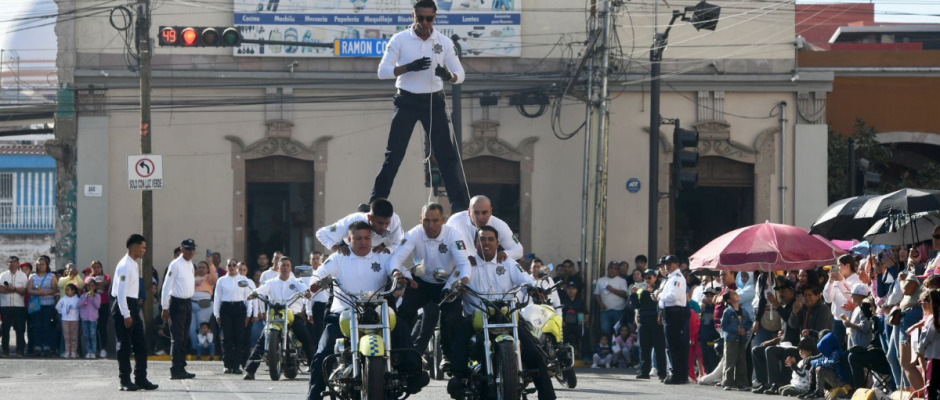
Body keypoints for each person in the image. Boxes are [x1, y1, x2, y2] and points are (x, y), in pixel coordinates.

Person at [307, 221, 424, 399]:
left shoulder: (382, 257)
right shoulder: (339, 258)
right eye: (358, 238)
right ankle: (313, 395)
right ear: (349, 239)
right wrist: (315, 284)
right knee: (323, 350)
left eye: (367, 238)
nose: (363, 242)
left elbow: (397, 268)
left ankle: (413, 375)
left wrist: (404, 277)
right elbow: (320, 273)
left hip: (377, 314)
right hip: (344, 314)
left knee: (401, 327)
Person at [371, 0, 469, 213]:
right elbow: (382, 71)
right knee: (394, 154)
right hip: (406, 101)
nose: (425, 23)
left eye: (429, 18)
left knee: (446, 156)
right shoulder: (400, 39)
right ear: (413, 17)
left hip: (433, 102)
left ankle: (459, 207)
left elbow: (460, 75)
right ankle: (376, 203)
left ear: (435, 18)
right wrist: (407, 68)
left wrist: (448, 75)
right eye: (420, 18)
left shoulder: (443, 42)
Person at [445, 226, 555, 400]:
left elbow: (526, 280)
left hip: (506, 316)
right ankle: (458, 378)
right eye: (482, 239)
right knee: (462, 332)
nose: (486, 243)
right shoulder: (467, 264)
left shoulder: (508, 263)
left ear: (498, 243)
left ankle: (547, 395)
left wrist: (534, 289)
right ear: (475, 243)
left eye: (491, 239)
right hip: (477, 318)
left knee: (534, 352)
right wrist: (452, 290)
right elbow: (450, 286)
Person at [388, 203, 472, 371]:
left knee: (455, 318)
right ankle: (399, 356)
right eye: (426, 220)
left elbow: (464, 263)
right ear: (421, 219)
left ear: (443, 220)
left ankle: (455, 360)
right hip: (421, 283)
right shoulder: (413, 234)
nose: (430, 226)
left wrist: (463, 280)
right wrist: (396, 272)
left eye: (435, 221)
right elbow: (396, 258)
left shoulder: (454, 235)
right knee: (403, 314)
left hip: (446, 283)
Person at [244, 257, 315, 380]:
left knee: (306, 338)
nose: (285, 268)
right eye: (283, 265)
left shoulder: (296, 281)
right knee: (262, 339)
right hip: (276, 315)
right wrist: (254, 293)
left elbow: (304, 288)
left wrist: (306, 292)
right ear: (278, 267)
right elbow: (261, 290)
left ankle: (315, 369)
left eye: (287, 265)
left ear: (291, 268)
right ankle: (250, 370)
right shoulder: (271, 282)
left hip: (293, 315)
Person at [112, 234, 158, 391]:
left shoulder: (134, 264)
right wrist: (126, 314)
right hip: (123, 306)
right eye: (143, 247)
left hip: (132, 305)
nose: (144, 250)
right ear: (134, 247)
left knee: (141, 345)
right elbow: (121, 292)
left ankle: (140, 378)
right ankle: (125, 380)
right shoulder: (125, 265)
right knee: (124, 345)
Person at [752, 278, 801, 395]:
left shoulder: (796, 306)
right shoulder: (784, 307)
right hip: (784, 343)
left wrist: (776, 304)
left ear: (792, 292)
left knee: (770, 351)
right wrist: (774, 340)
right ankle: (764, 383)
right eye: (779, 291)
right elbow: (784, 332)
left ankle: (776, 384)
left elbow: (792, 324)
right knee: (757, 350)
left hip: (794, 344)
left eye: (784, 291)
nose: (781, 294)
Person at [446, 195, 523, 263]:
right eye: (476, 213)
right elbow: (445, 247)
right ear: (469, 212)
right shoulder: (455, 221)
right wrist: (462, 258)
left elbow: (518, 250)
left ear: (491, 212)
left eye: (484, 213)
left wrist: (505, 254)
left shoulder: (500, 226)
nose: (480, 217)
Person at [161, 239, 197, 380]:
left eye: (193, 249)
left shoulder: (190, 264)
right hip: (177, 303)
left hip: (187, 302)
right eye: (188, 249)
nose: (191, 252)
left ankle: (181, 367)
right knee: (177, 338)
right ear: (182, 250)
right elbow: (166, 287)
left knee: (184, 337)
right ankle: (175, 369)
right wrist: (165, 307)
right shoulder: (175, 265)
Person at [317, 198, 404, 255]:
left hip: (377, 249)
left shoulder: (394, 220)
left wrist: (388, 250)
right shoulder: (352, 221)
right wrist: (336, 248)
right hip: (350, 251)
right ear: (369, 218)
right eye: (380, 223)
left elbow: (400, 244)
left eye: (387, 223)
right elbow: (321, 233)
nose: (384, 228)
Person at [213, 259, 253, 374]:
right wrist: (217, 314)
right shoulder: (221, 280)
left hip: (239, 308)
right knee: (227, 337)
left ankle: (236, 365)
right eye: (229, 265)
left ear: (237, 267)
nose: (232, 267)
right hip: (226, 309)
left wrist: (249, 314)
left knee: (239, 338)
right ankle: (227, 365)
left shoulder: (243, 280)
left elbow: (248, 298)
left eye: (234, 265)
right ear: (226, 267)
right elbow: (217, 298)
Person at [660, 255, 690, 385]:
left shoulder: (677, 278)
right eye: (665, 264)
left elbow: (673, 296)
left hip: (675, 313)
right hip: (669, 312)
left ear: (676, 264)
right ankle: (678, 373)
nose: (666, 266)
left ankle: (677, 374)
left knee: (674, 345)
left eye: (669, 263)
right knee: (673, 345)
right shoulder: (670, 278)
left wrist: (659, 295)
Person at [632, 269, 667, 380]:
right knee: (644, 348)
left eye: (649, 277)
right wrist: (633, 294)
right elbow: (636, 305)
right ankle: (644, 371)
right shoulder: (641, 290)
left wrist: (653, 292)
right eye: (645, 278)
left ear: (655, 278)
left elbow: (661, 303)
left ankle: (662, 373)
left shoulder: (659, 289)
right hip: (644, 320)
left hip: (656, 321)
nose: (647, 280)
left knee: (659, 348)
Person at [824, 255, 861, 347]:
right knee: (837, 348)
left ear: (847, 266)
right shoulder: (836, 280)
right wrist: (830, 282)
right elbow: (828, 299)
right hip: (837, 320)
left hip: (851, 320)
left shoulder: (857, 280)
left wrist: (841, 281)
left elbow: (851, 298)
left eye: (839, 265)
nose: (837, 268)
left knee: (850, 347)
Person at [805, 332, 852, 399]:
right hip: (836, 379)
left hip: (842, 382)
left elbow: (831, 363)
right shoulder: (829, 354)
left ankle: (820, 392)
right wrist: (814, 362)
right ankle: (812, 389)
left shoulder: (837, 353)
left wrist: (816, 363)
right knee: (815, 367)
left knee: (821, 369)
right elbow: (822, 360)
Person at [720, 290, 751, 391]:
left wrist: (744, 329)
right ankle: (727, 382)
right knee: (730, 361)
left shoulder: (744, 311)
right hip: (731, 339)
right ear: (729, 300)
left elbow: (749, 322)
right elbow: (724, 326)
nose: (736, 295)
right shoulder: (727, 311)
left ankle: (741, 383)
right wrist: (736, 330)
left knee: (741, 361)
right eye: (733, 294)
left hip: (742, 339)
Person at [27, 255, 57, 357]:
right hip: (36, 305)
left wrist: (46, 293)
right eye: (39, 264)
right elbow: (29, 290)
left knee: (47, 325)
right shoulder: (33, 276)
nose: (41, 266)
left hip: (48, 305)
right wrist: (38, 293)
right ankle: (37, 347)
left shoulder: (51, 276)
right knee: (37, 326)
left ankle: (47, 347)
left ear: (47, 265)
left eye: (43, 264)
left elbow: (55, 289)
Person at [915, 289, 940, 399]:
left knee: (930, 385)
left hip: (934, 357)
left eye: (921, 303)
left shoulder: (932, 319)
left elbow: (926, 338)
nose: (921, 306)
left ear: (928, 303)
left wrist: (919, 350)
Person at [0, 255, 27, 358]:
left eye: (15, 262)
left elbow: (24, 290)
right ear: (7, 264)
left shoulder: (23, 276)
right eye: (10, 262)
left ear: (18, 264)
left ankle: (20, 350)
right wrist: (15, 290)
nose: (13, 264)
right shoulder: (3, 275)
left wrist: (14, 289)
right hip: (5, 305)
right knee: (5, 329)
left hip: (19, 306)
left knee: (20, 329)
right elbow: (1, 289)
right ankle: (5, 350)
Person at [190, 260, 218, 355]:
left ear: (207, 269)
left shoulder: (209, 277)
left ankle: (204, 348)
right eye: (199, 267)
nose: (201, 269)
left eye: (203, 267)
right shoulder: (193, 277)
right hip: (191, 305)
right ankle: (195, 347)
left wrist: (211, 264)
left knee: (202, 328)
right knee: (191, 329)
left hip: (204, 305)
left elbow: (214, 278)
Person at [594, 262, 629, 338]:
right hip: (605, 311)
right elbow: (597, 294)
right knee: (605, 333)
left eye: (615, 268)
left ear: (618, 270)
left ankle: (617, 346)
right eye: (611, 268)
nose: (612, 270)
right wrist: (601, 304)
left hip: (619, 311)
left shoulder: (622, 281)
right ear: (607, 268)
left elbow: (625, 294)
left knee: (618, 333)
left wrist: (612, 289)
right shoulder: (600, 280)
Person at [85, 260, 111, 358]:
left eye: (98, 267)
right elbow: (86, 284)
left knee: (102, 326)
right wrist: (98, 284)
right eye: (94, 268)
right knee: (93, 328)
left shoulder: (106, 276)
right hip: (92, 306)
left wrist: (94, 284)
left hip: (104, 304)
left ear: (101, 268)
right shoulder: (88, 277)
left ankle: (103, 348)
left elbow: (106, 282)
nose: (96, 269)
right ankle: (95, 348)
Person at [56, 283, 81, 358]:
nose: (66, 291)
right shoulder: (63, 299)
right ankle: (67, 351)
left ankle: (74, 352)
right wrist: (62, 313)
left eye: (68, 290)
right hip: (65, 320)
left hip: (74, 320)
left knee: (74, 337)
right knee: (66, 337)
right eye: (66, 290)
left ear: (73, 291)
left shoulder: (77, 299)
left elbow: (80, 308)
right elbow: (57, 306)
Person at [80, 280, 101, 359]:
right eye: (89, 286)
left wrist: (94, 297)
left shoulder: (97, 296)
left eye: (92, 286)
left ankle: (93, 351)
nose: (90, 288)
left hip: (93, 319)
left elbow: (97, 306)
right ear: (86, 287)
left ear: (95, 287)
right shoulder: (83, 296)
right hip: (85, 318)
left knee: (92, 335)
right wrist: (86, 298)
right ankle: (88, 351)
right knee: (86, 335)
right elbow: (79, 305)